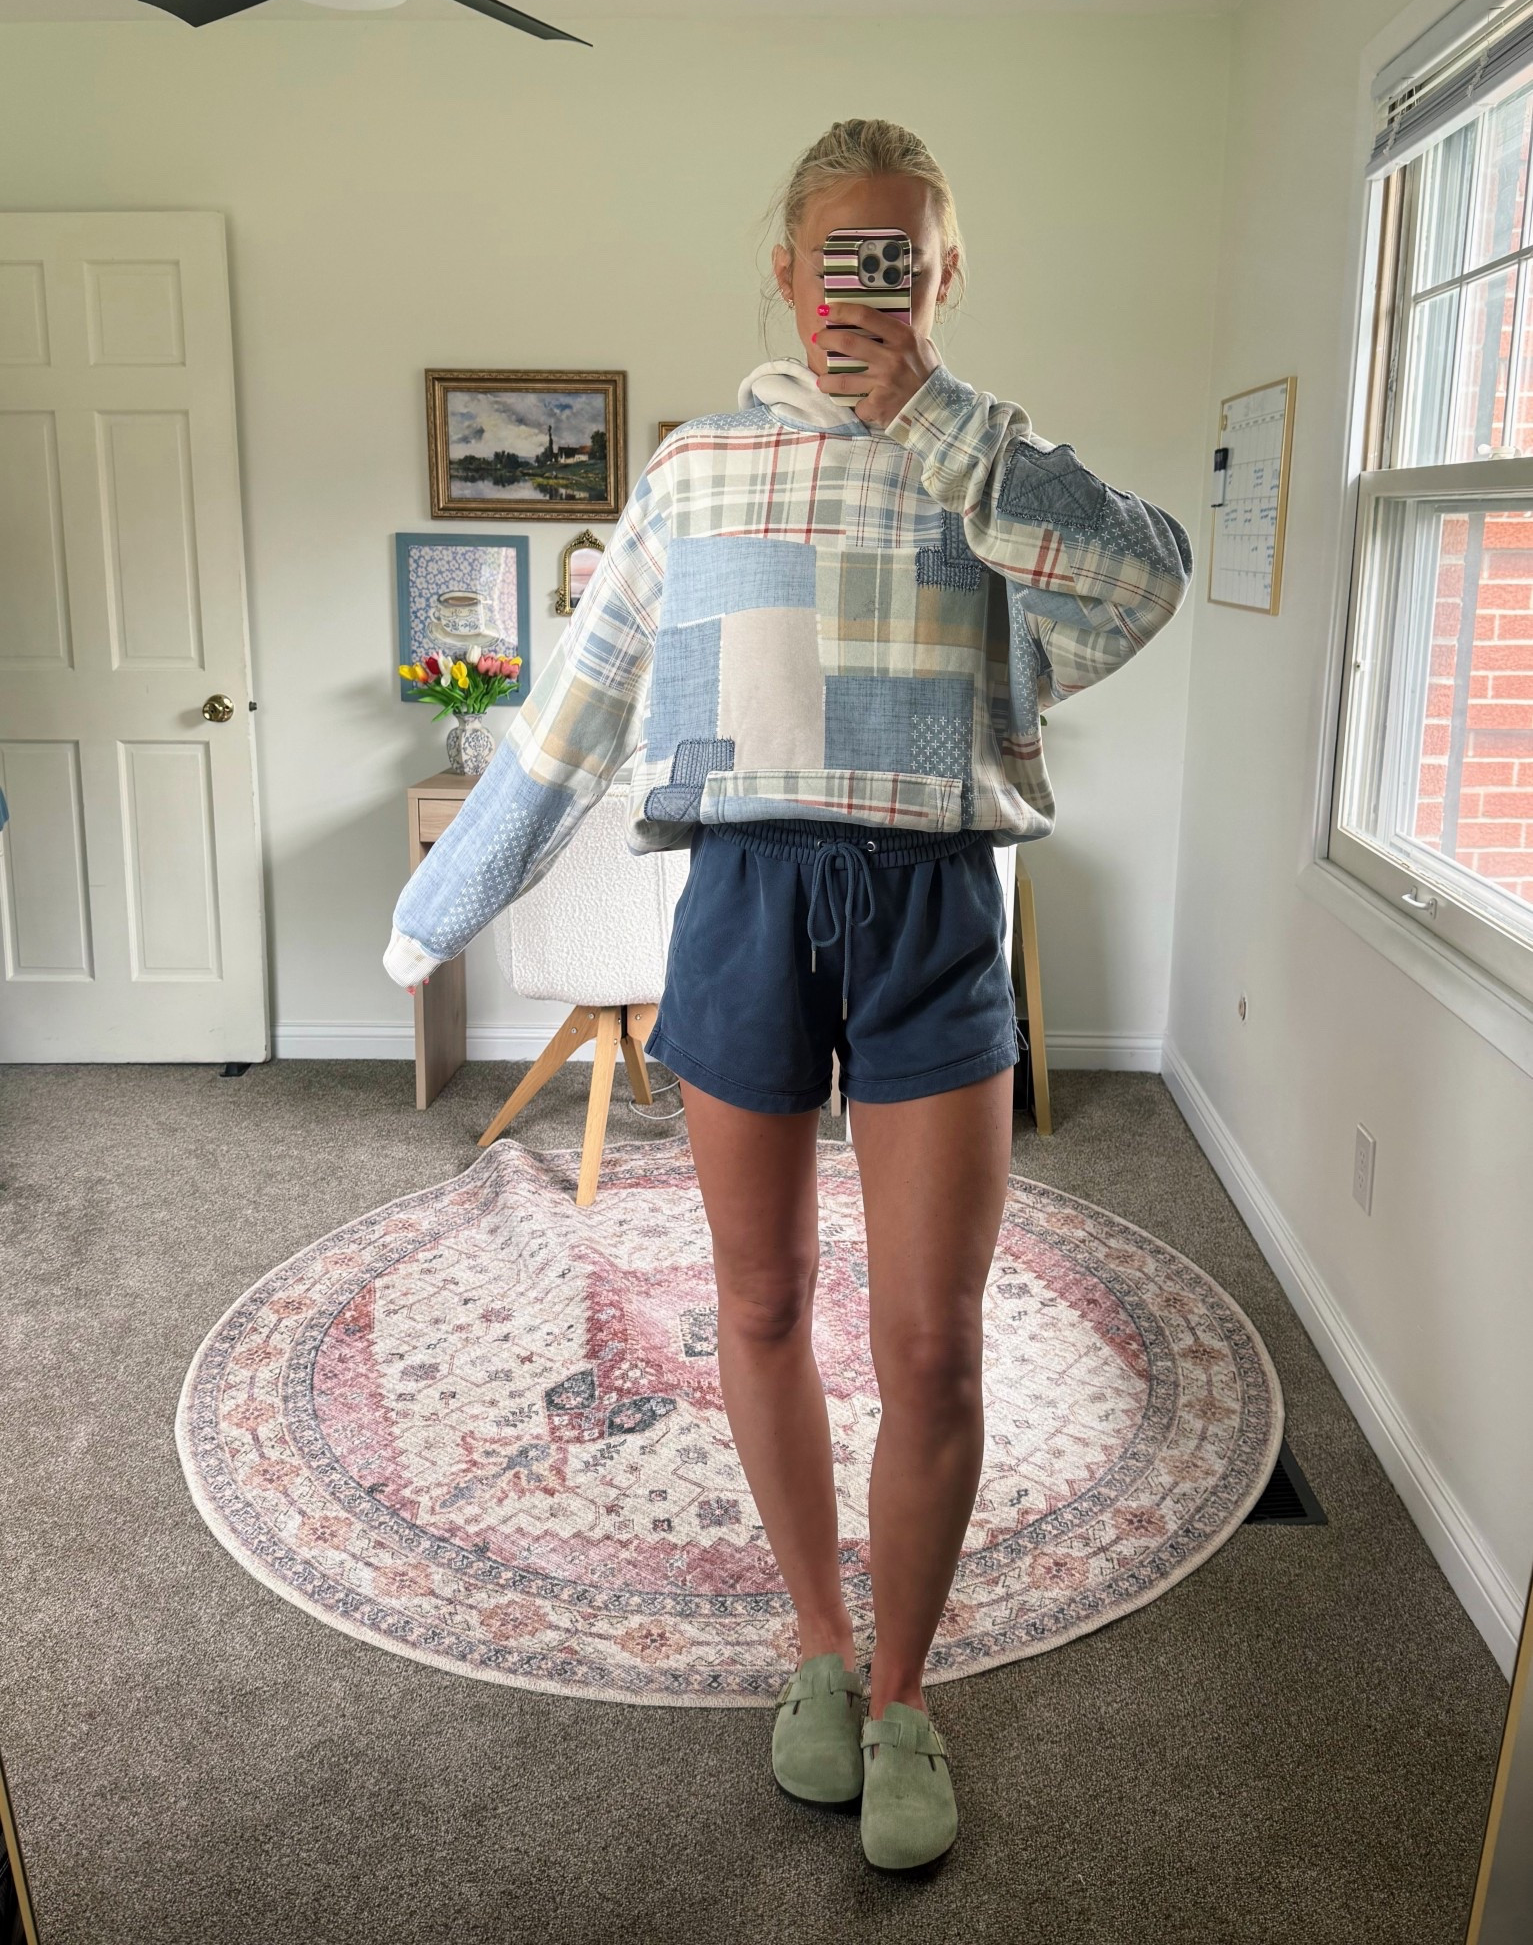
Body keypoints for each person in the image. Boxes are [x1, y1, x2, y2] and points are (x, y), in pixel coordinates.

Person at [384, 118, 1191, 1871]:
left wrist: (940, 419)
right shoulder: (695, 474)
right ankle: (817, 1648)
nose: (869, 292)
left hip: (931, 904)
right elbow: (575, 714)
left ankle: (903, 1692)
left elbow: (1148, 578)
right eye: (842, 259)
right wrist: (442, 904)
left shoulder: (992, 466)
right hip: (744, 901)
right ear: (787, 271)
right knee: (757, 1303)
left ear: (944, 275)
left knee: (930, 1340)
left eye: (903, 260)